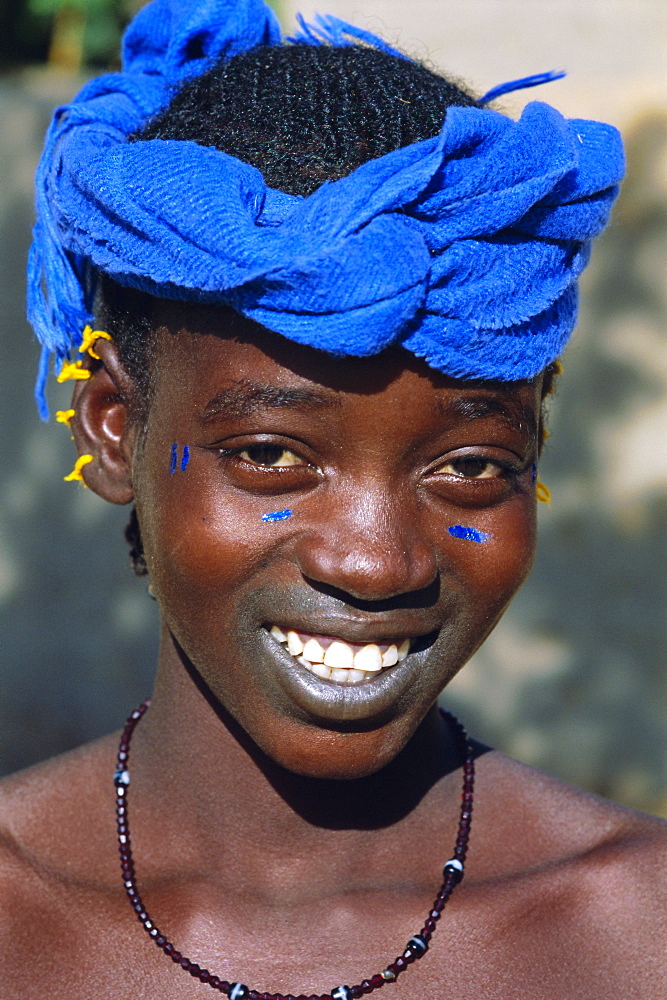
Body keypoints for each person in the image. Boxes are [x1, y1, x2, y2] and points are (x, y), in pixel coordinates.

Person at [1, 1, 665, 997]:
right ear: (112, 431)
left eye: (473, 465)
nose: (376, 560)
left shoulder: (633, 933)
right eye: (271, 453)